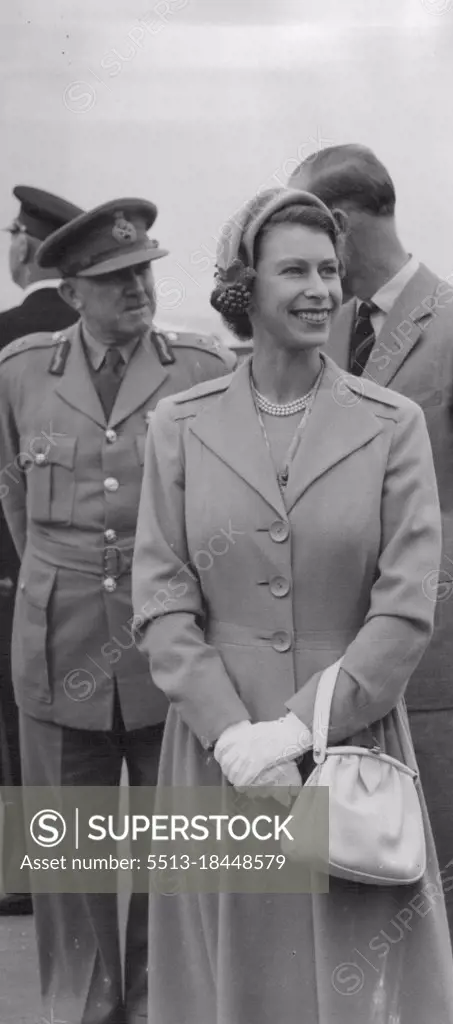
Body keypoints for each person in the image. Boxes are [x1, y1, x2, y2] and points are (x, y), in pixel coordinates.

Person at [131, 186, 453, 1024]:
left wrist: (301, 728)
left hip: (346, 746)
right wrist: (237, 735)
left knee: (355, 982)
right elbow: (163, 596)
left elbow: (407, 602)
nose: (320, 289)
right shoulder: (180, 423)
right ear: (245, 287)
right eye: (295, 271)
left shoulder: (392, 424)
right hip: (219, 751)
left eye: (329, 270)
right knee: (228, 983)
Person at [289, 145, 453, 1024]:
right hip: (330, 679)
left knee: (444, 903)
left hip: (439, 677)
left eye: (307, 228)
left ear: (340, 225)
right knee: (339, 900)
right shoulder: (324, 331)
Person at [0, 196, 235, 1024]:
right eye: (113, 277)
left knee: (184, 847)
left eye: (141, 270)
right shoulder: (20, 372)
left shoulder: (203, 371)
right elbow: (15, 501)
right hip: (59, 643)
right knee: (69, 848)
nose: (136, 287)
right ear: (71, 292)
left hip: (169, 642)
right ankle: (85, 1004)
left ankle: (159, 1000)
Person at [0, 185, 84, 917]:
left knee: (16, 718)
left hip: (14, 565)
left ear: (26, 245)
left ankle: (23, 872)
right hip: (84, 574)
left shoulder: (5, 338)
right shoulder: (97, 336)